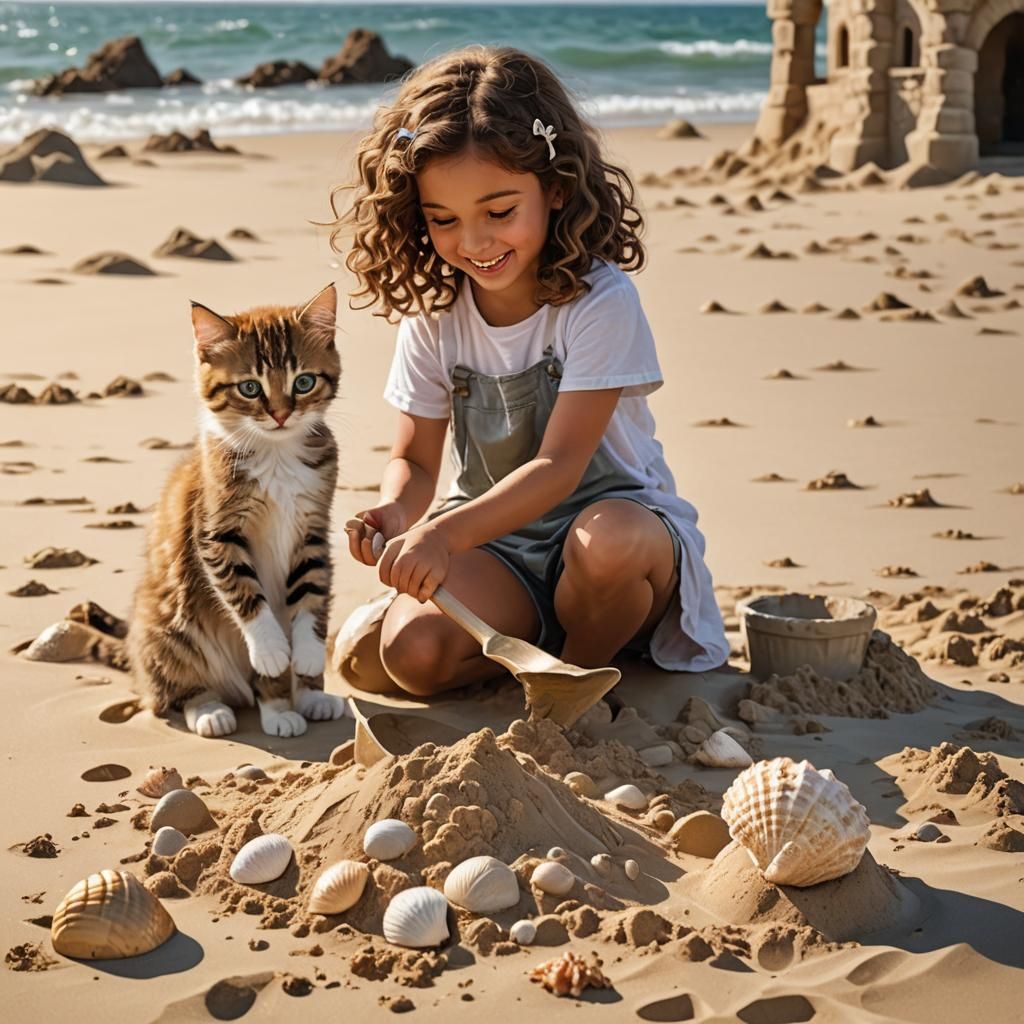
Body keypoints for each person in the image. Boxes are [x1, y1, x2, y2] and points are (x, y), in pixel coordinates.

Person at [330, 46, 729, 698]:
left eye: (500, 212)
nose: (476, 243)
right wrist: (398, 513)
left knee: (610, 546)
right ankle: (532, 645)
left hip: (617, 539)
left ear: (556, 189)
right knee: (414, 654)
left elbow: (560, 467)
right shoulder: (434, 317)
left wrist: (440, 535)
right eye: (444, 220)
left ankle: (575, 676)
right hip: (497, 546)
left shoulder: (599, 301)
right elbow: (419, 461)